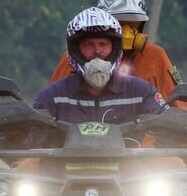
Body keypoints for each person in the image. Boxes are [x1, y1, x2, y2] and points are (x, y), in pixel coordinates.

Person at [49, 0, 187, 175]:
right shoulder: (74, 59)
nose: (126, 32)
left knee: (183, 179)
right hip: (76, 151)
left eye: (133, 26)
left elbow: (182, 114)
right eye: (120, 24)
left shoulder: (155, 57)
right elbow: (44, 116)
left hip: (142, 154)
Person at [34, 7, 167, 125]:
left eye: (103, 44)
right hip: (73, 154)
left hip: (129, 153)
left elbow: (168, 122)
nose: (97, 51)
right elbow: (30, 137)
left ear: (115, 48)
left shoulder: (141, 92)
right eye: (89, 45)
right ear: (76, 50)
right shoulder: (53, 96)